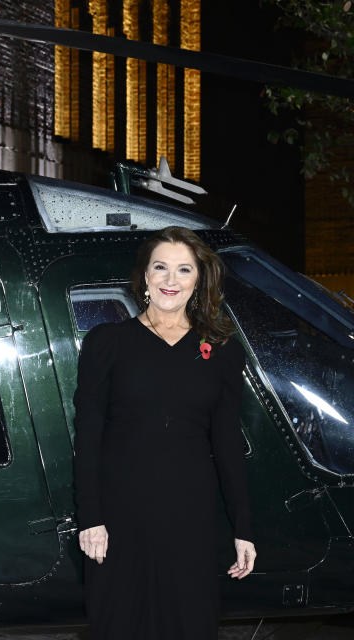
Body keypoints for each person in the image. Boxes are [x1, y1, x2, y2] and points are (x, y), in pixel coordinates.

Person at [74, 225, 257, 639]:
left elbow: (227, 442)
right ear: (144, 277)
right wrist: (91, 518)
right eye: (161, 268)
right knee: (120, 622)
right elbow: (87, 435)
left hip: (190, 513)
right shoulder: (107, 342)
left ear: (199, 280)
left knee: (189, 622)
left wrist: (243, 528)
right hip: (119, 514)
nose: (171, 280)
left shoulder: (221, 348)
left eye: (183, 270)